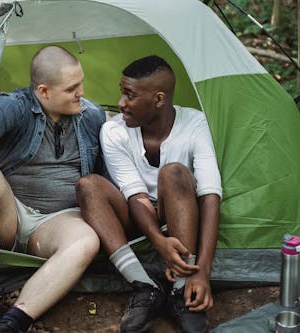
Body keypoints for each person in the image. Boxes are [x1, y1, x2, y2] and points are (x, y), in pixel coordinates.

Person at [0, 45, 105, 332]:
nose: (81, 92)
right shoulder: (16, 106)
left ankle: (13, 322)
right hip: (9, 213)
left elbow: (105, 178)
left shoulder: (92, 115)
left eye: (81, 83)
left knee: (87, 242)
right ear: (44, 91)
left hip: (59, 220)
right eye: (72, 88)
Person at [76, 55, 222, 333]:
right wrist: (159, 242)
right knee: (88, 185)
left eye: (129, 95)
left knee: (173, 172)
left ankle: (183, 287)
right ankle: (145, 287)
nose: (120, 103)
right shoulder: (114, 130)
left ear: (158, 99)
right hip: (137, 217)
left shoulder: (194, 123)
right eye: (122, 92)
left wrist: (202, 271)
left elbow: (210, 195)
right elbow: (135, 195)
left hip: (181, 213)